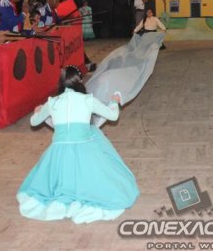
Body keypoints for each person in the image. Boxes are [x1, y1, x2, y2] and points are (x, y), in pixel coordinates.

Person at [17, 66, 139, 224]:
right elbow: (113, 116)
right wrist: (115, 101)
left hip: (58, 154)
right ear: (79, 81)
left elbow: (34, 122)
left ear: (61, 82)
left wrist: (37, 111)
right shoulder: (88, 100)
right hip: (84, 150)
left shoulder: (52, 102)